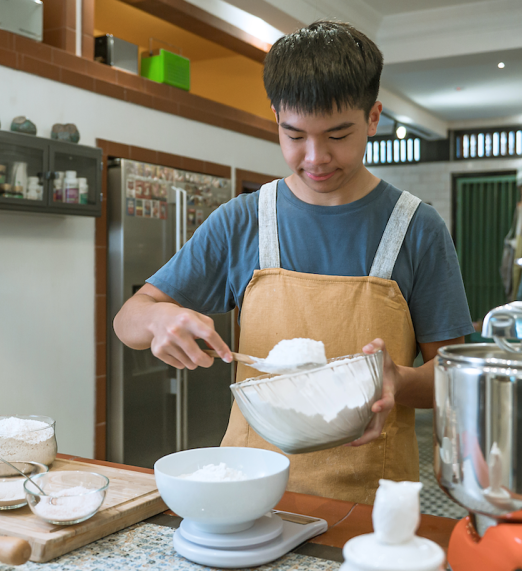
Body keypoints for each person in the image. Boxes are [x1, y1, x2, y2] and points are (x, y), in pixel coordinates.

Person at [113, 20, 473, 504]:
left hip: (371, 501)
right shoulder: (242, 221)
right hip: (250, 490)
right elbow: (127, 320)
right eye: (295, 135)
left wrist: (399, 380)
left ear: (373, 118)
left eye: (338, 135)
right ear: (276, 119)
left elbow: (454, 374)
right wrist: (157, 318)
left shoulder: (416, 228)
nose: (315, 157)